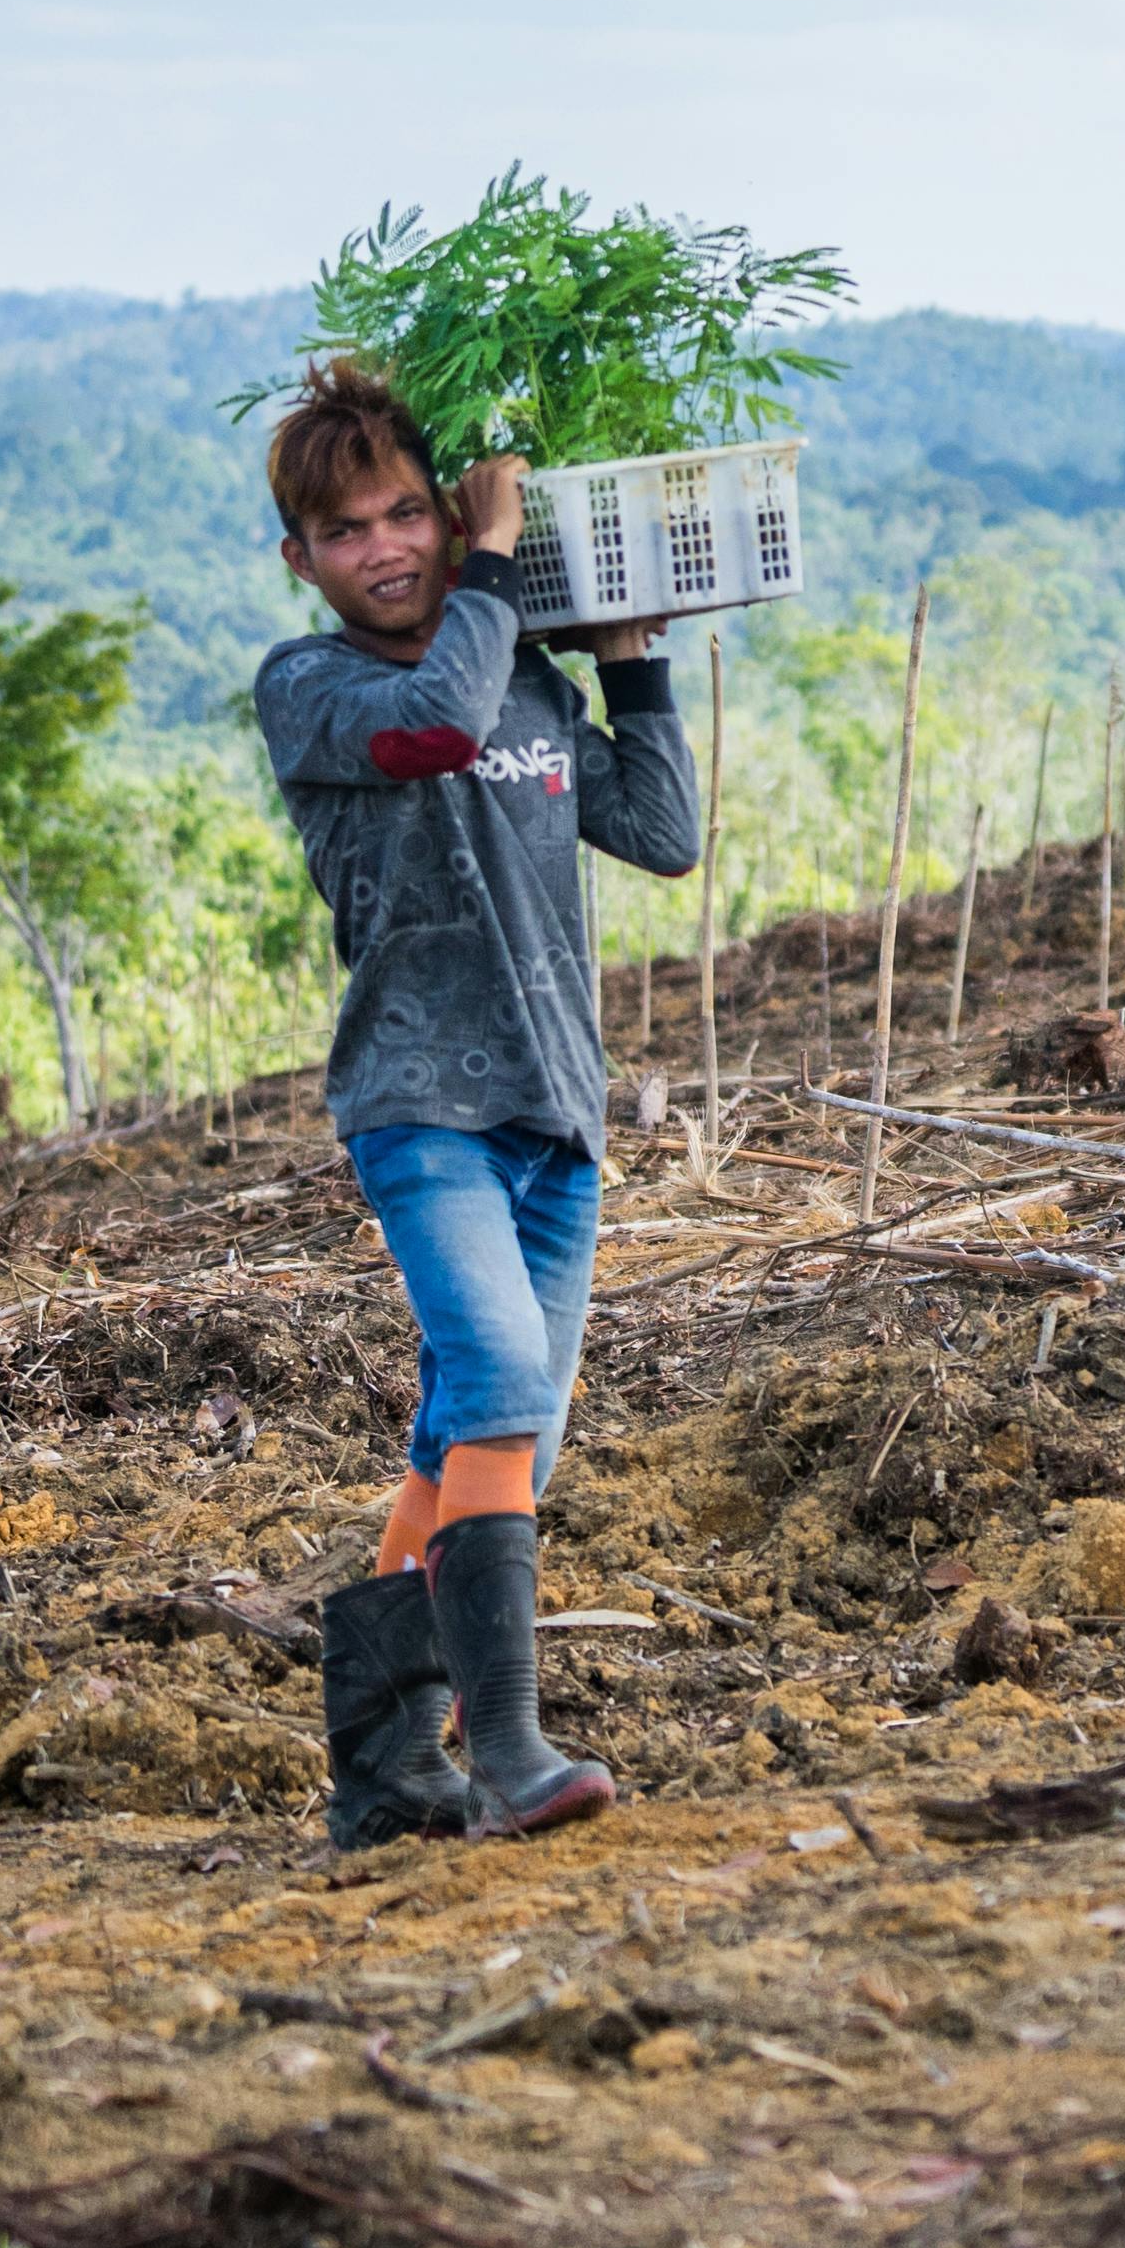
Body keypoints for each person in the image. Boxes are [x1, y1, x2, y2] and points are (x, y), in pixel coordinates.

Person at [251, 361, 701, 1842]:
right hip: (420, 1104)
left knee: (486, 1441)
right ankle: (506, 1751)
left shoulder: (518, 674)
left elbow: (657, 828)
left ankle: (384, 1770)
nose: (384, 546)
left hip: (557, 1116)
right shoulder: (315, 690)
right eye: (346, 531)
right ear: (301, 562)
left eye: (406, 514)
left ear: (439, 520)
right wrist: (498, 566)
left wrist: (631, 662)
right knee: (501, 1377)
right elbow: (437, 719)